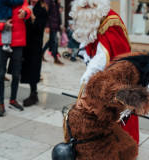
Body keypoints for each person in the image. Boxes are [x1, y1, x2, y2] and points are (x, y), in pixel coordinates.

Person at [69, 0, 139, 145]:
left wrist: (88, 75)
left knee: (117, 112)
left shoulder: (110, 21)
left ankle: (121, 146)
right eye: (83, 6)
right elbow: (90, 39)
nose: (87, 9)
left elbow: (103, 55)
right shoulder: (96, 20)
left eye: (90, 6)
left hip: (116, 77)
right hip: (103, 76)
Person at [0, 0, 31, 116]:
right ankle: (1, 103)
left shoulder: (21, 1)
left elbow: (27, 9)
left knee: (16, 74)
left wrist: (25, 13)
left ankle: (13, 100)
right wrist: (2, 26)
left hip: (18, 43)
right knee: (0, 73)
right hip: (1, 43)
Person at [20, 0, 48, 107]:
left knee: (34, 68)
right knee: (26, 68)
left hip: (34, 44)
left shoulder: (42, 9)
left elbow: (39, 28)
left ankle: (33, 94)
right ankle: (32, 93)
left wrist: (32, 16)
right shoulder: (25, 5)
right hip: (23, 42)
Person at [42, 0, 63, 65]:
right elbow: (46, 14)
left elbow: (58, 13)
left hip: (56, 24)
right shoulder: (48, 1)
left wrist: (59, 4)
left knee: (51, 41)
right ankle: (55, 58)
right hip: (51, 25)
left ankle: (41, 53)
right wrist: (47, 26)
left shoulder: (56, 2)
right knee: (54, 41)